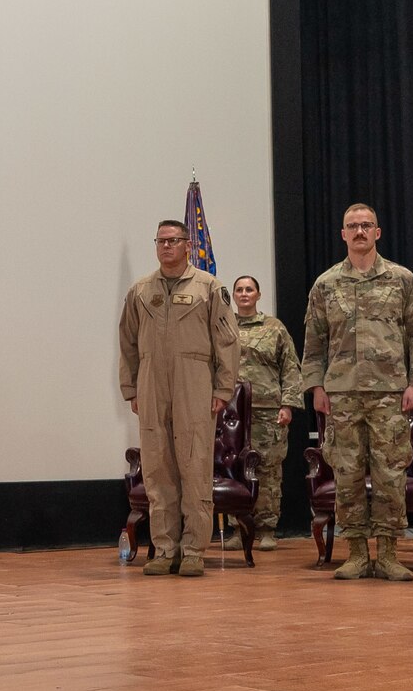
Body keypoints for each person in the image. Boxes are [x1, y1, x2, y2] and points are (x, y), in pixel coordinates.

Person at [301, 204, 413, 582]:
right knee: (347, 473)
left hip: (390, 392)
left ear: (378, 232)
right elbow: (314, 341)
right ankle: (356, 553)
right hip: (341, 393)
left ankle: (389, 553)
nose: (359, 231)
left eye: (366, 225)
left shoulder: (402, 280)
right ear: (342, 234)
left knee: (390, 473)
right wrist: (316, 386)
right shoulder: (325, 284)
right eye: (352, 226)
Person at [118, 219, 239, 576]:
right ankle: (164, 549)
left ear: (188, 244)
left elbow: (228, 343)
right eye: (161, 241)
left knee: (194, 467)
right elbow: (127, 344)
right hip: (152, 385)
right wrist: (131, 389)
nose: (166, 246)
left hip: (195, 384)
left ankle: (193, 551)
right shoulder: (140, 290)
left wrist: (222, 389)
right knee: (157, 470)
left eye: (173, 240)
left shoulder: (209, 288)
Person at [229, 275, 298, 551]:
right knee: (237, 471)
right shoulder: (224, 327)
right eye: (239, 290)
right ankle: (240, 529)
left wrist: (288, 405)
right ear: (234, 296)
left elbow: (291, 367)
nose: (244, 294)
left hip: (268, 411)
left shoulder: (274, 328)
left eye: (249, 289)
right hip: (232, 414)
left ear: (258, 295)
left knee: (268, 471)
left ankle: (268, 528)